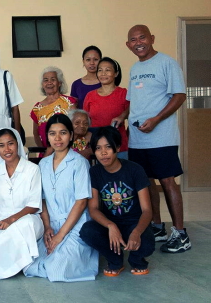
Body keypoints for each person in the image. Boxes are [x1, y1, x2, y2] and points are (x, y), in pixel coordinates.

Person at [112, 24, 190, 253]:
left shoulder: (167, 63)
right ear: (128, 45)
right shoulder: (135, 68)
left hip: (161, 138)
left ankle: (181, 233)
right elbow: (134, 103)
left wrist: (156, 119)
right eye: (133, 40)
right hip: (138, 139)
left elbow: (180, 95)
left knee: (167, 182)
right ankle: (157, 227)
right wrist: (122, 116)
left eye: (142, 37)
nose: (139, 43)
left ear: (152, 38)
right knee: (147, 185)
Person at [24, 114, 98, 282]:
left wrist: (60, 236)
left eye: (63, 133)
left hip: (74, 225)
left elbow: (81, 202)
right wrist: (48, 228)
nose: (58, 138)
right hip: (51, 224)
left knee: (57, 269)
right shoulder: (43, 164)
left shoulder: (79, 163)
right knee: (29, 263)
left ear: (71, 136)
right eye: (52, 133)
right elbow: (41, 199)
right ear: (47, 137)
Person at [80, 126, 155, 276]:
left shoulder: (135, 170)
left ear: (118, 147)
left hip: (133, 222)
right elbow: (93, 208)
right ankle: (115, 259)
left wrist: (137, 232)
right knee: (87, 231)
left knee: (147, 242)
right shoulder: (94, 172)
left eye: (108, 147)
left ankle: (137, 260)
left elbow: (147, 210)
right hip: (110, 224)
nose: (103, 153)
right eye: (98, 148)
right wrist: (110, 225)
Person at [0, 128, 44, 280]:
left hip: (28, 216)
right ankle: (10, 266)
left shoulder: (32, 169)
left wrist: (11, 220)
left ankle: (18, 264)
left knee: (19, 228)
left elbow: (35, 204)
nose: (7, 149)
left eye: (10, 144)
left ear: (18, 144)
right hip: (2, 215)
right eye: (1, 145)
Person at [84, 57, 129, 159]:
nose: (103, 73)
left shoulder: (124, 93)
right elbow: (86, 121)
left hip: (119, 146)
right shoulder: (90, 95)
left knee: (121, 174)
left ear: (116, 73)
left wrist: (122, 116)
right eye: (100, 70)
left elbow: (132, 112)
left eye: (107, 70)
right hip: (97, 148)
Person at [31, 66, 77, 151]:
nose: (49, 83)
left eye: (53, 79)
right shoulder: (37, 108)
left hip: (68, 150)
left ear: (59, 83)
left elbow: (75, 128)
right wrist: (44, 151)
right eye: (46, 80)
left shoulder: (69, 102)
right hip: (47, 153)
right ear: (42, 84)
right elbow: (36, 134)